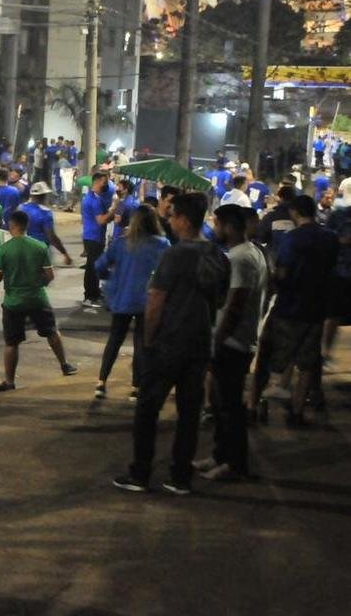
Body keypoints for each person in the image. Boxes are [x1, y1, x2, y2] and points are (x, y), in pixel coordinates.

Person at [114, 192, 230, 495]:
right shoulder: (218, 255)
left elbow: (156, 300)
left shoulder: (176, 254)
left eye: (173, 215)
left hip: (169, 343)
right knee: (189, 413)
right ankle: (180, 477)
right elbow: (220, 300)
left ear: (183, 219)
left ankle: (140, 473)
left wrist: (149, 339)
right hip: (200, 342)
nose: (169, 220)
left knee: (148, 409)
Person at [251, 195, 338, 427]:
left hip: (289, 307)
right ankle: (297, 412)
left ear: (296, 212)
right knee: (307, 364)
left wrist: (273, 284)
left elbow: (283, 272)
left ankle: (259, 406)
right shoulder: (330, 238)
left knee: (274, 360)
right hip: (316, 309)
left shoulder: (293, 239)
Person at [194, 204, 266, 481]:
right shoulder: (251, 253)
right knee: (224, 405)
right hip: (238, 339)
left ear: (228, 226)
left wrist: (217, 340)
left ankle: (234, 464)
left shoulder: (240, 258)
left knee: (230, 407)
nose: (214, 228)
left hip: (233, 342)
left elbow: (235, 305)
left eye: (217, 223)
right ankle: (220, 455)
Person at [0, 209, 77, 392]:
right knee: (52, 332)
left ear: (11, 225)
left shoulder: (3, 250)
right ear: (26, 225)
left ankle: (10, 381)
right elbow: (49, 275)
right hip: (37, 298)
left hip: (13, 302)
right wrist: (38, 283)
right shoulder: (39, 246)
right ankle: (65, 364)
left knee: (11, 342)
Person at [93, 205, 170, 400]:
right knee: (142, 343)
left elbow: (99, 266)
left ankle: (101, 382)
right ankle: (137, 385)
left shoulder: (122, 244)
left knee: (115, 339)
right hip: (148, 300)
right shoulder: (162, 244)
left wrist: (112, 277)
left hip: (122, 298)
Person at [81, 171, 116, 308]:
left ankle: (94, 292)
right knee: (92, 268)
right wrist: (114, 210)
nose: (106, 185)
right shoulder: (93, 200)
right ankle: (89, 296)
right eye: (104, 182)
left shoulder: (94, 197)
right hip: (93, 237)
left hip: (93, 236)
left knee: (93, 266)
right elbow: (101, 220)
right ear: (97, 181)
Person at [19, 181, 73, 265]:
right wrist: (65, 253)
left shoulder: (21, 208)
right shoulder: (45, 213)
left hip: (22, 249)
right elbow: (51, 237)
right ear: (44, 196)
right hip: (40, 251)